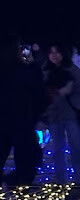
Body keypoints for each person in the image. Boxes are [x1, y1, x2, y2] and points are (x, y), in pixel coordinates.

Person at [0, 34, 45, 188]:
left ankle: (11, 183)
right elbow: (39, 94)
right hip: (22, 121)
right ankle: (13, 184)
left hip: (6, 121)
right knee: (28, 163)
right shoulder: (26, 71)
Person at [43, 43, 80, 185]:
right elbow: (39, 92)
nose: (54, 55)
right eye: (51, 52)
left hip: (71, 115)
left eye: (57, 52)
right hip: (53, 115)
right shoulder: (45, 70)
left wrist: (74, 103)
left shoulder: (71, 69)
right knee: (57, 149)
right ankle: (61, 179)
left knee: (77, 147)